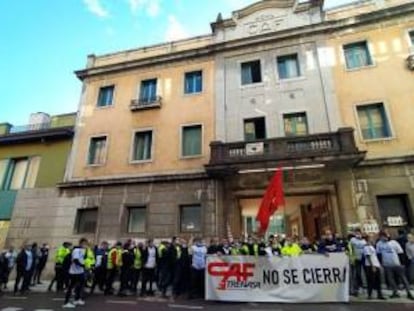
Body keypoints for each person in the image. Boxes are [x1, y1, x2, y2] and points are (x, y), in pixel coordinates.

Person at [376, 231, 414, 300]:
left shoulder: (394, 243)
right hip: (387, 264)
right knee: (391, 279)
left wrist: (402, 263)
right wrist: (381, 263)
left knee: (403, 278)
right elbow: (379, 254)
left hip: (396, 263)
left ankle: (408, 292)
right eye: (382, 237)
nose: (384, 238)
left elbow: (400, 253)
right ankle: (395, 292)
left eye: (385, 236)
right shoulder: (379, 244)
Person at [63, 238, 88, 308]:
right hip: (74, 272)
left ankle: (77, 299)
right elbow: (76, 260)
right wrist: (83, 266)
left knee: (81, 285)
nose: (86, 245)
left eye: (86, 244)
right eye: (84, 244)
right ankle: (66, 302)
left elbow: (83, 258)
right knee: (71, 287)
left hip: (80, 271)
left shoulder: (83, 250)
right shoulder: (77, 250)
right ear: (81, 244)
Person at [363, 234, 386, 300]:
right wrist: (372, 266)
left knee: (378, 281)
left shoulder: (372, 246)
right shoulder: (366, 247)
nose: (372, 239)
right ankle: (369, 295)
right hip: (370, 266)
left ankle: (379, 294)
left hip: (376, 264)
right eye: (371, 238)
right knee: (371, 281)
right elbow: (368, 256)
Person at [350, 229, 367, 296]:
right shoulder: (352, 240)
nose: (358, 234)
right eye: (356, 233)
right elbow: (350, 249)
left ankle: (363, 286)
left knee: (364, 273)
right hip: (356, 259)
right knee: (357, 273)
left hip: (363, 259)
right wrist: (351, 258)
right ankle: (357, 288)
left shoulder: (364, 241)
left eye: (359, 233)